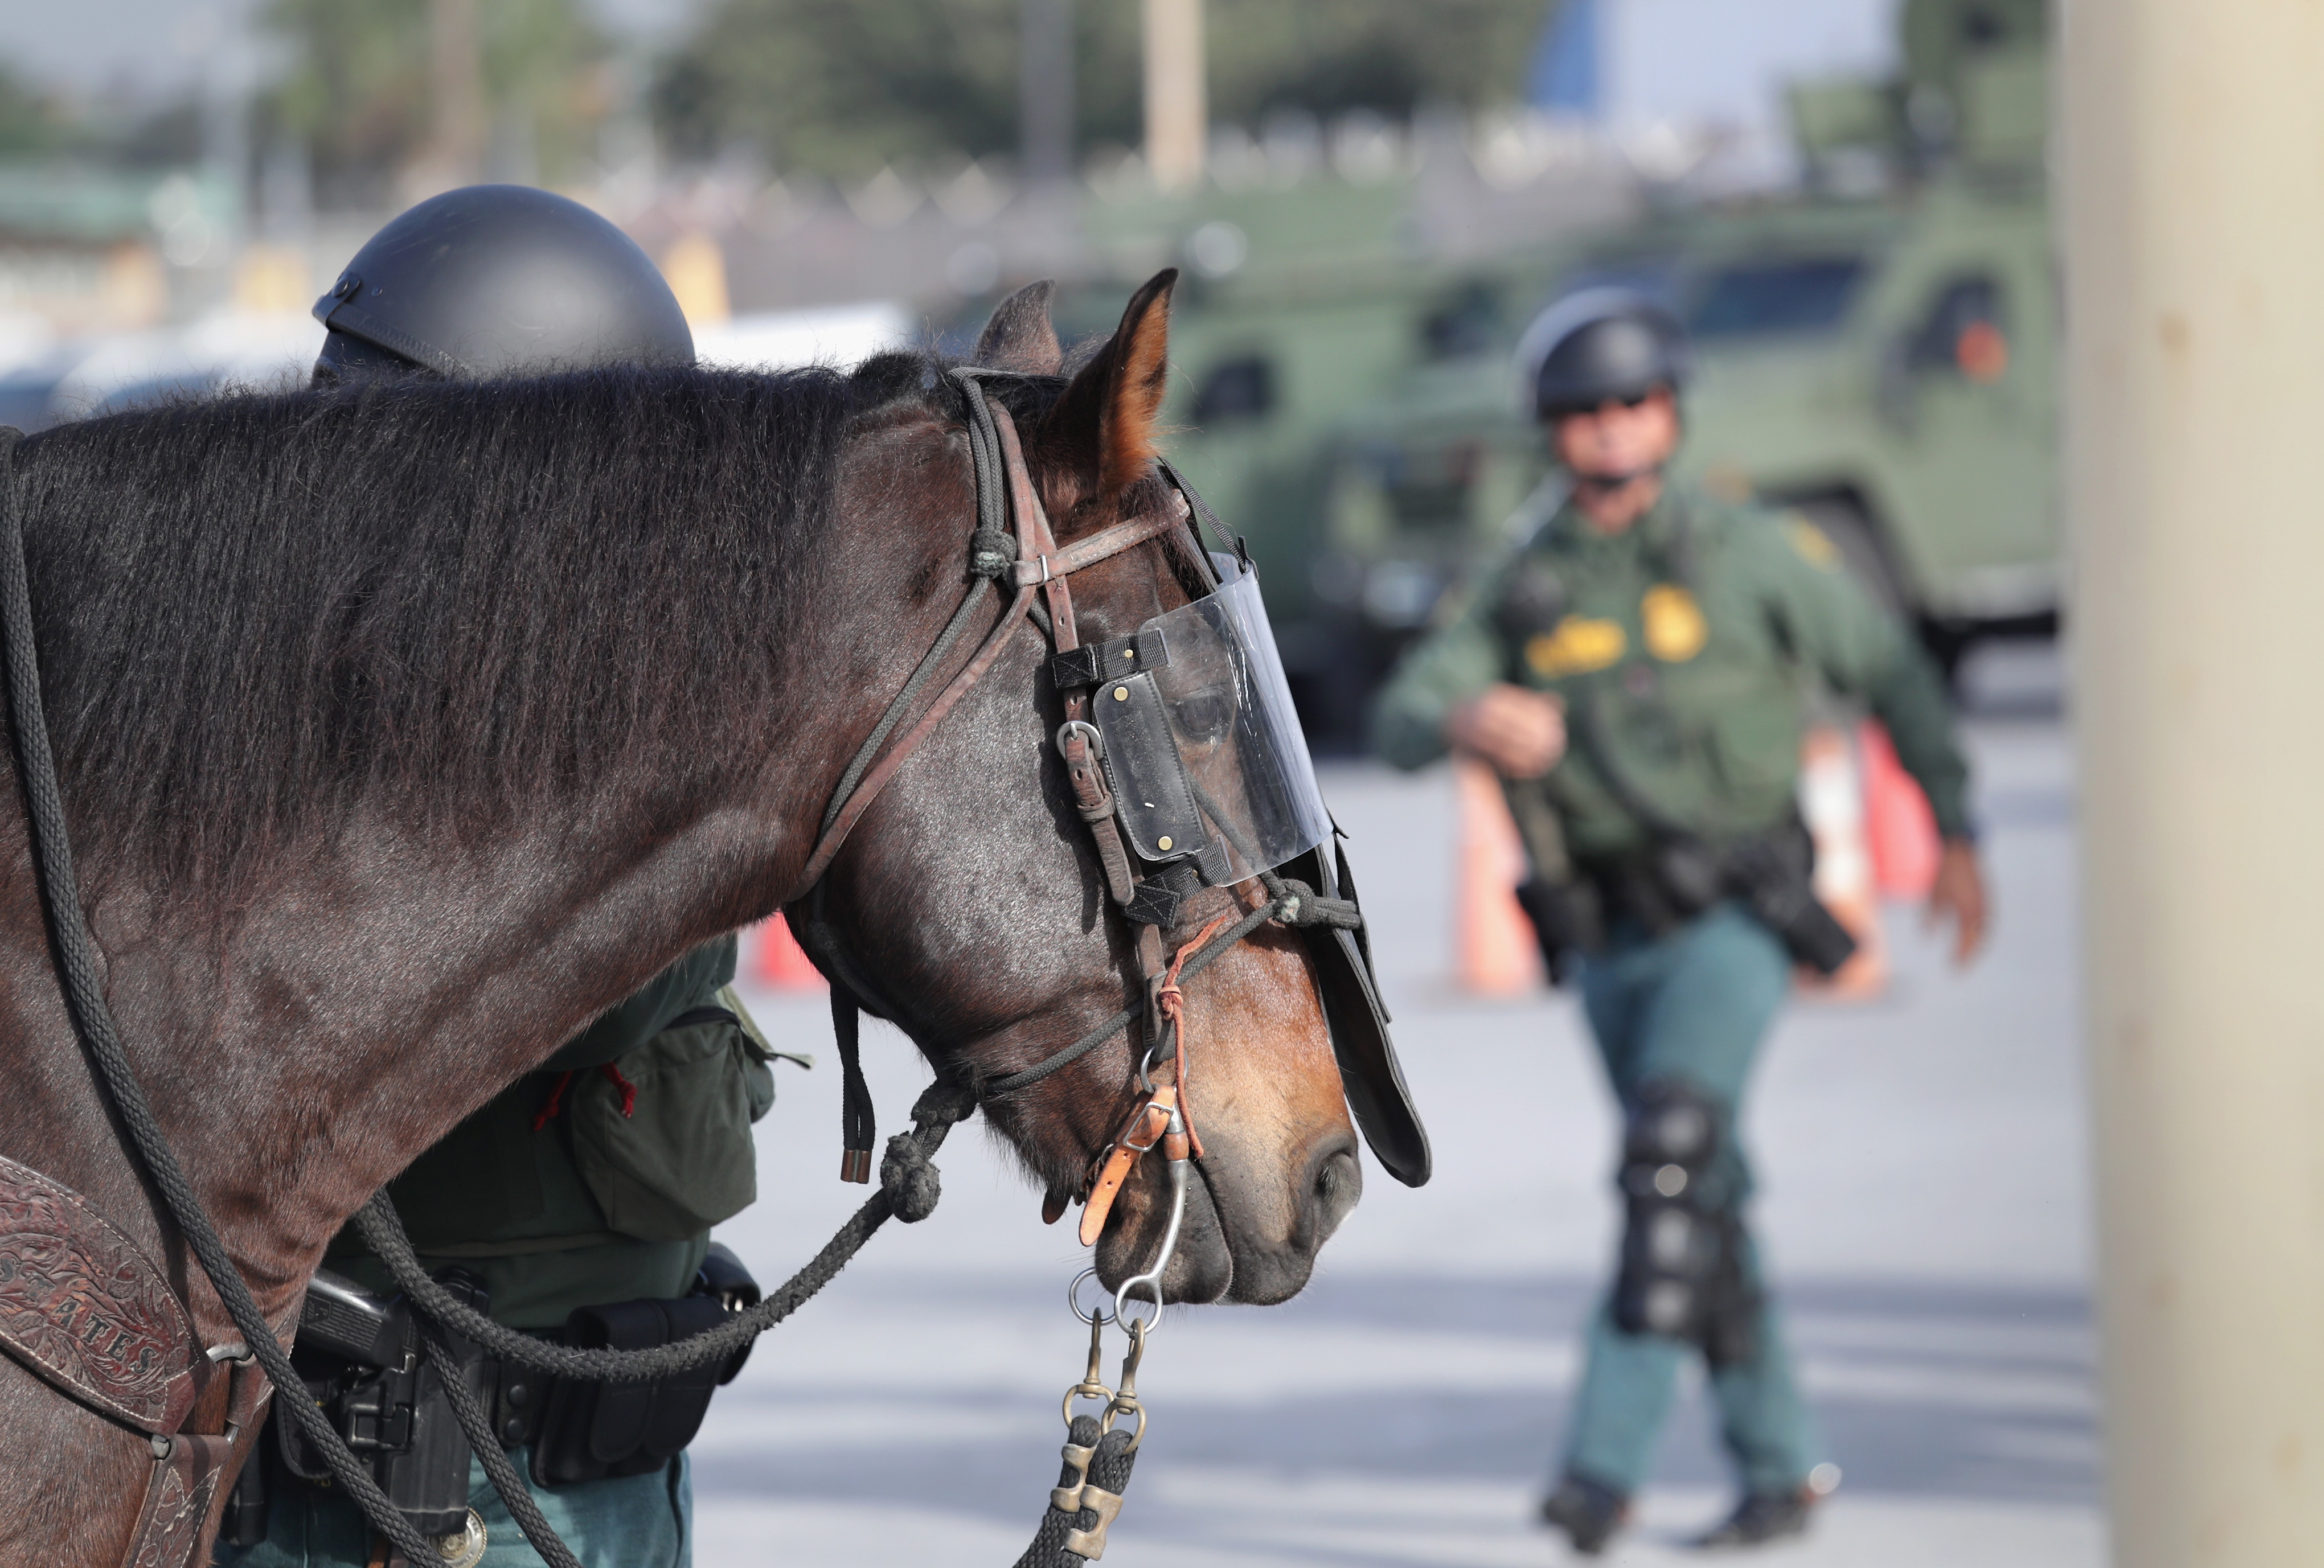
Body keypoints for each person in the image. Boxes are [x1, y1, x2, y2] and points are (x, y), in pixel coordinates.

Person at [219, 186, 788, 1568]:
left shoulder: (608, 700)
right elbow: (577, 989)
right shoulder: (309, 715)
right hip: (394, 1491)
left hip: (601, 1466)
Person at [1371, 290, 1989, 1554]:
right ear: (1551, 428)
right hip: (1607, 942)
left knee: (1668, 1164)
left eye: (1634, 401)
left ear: (1670, 412)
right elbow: (1398, 715)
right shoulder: (1525, 582)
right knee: (1705, 1197)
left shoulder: (1748, 552)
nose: (1611, 425)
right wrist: (1465, 716)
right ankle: (1781, 1465)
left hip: (1731, 925)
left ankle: (1598, 1475)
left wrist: (1957, 831)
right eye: (1583, 408)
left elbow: (1889, 671)